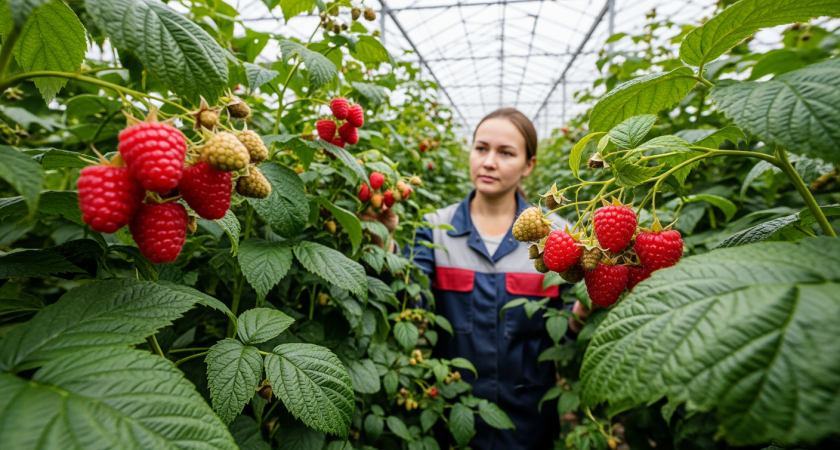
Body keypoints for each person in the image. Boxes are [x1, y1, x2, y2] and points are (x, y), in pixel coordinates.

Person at [372, 108, 587, 449]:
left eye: (506, 153)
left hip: (529, 424)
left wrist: (587, 306)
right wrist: (382, 242)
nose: (488, 162)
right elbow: (409, 302)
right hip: (451, 416)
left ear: (529, 165)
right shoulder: (435, 228)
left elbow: (567, 333)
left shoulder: (560, 238)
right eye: (481, 148)